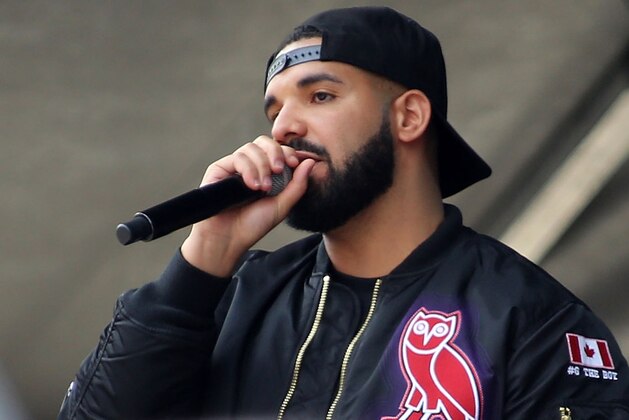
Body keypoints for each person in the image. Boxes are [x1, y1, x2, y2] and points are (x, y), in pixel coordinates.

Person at [58, 6, 629, 420]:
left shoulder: (533, 319)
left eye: (320, 96)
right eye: (275, 109)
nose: (283, 127)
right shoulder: (232, 297)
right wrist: (204, 256)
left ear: (408, 117)